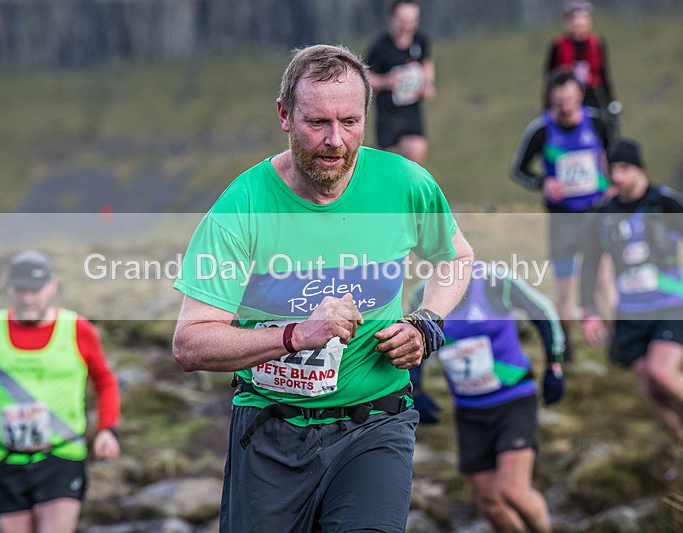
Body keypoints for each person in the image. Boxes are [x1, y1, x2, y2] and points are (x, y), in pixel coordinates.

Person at [172, 44, 474, 532]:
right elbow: (189, 343)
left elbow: (456, 257)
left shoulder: (403, 183)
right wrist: (295, 335)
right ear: (284, 115)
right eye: (318, 123)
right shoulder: (242, 206)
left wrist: (426, 323)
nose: (336, 141)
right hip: (271, 431)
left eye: (350, 122)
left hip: (376, 424)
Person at [0, 250, 121, 533]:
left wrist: (108, 429)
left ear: (52, 286)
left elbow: (105, 381)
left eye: (35, 290)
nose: (28, 299)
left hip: (62, 456)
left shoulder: (77, 329)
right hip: (6, 460)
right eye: (20, 291)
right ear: (9, 288)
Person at [580, 139, 683, 449]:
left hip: (670, 304)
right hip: (629, 311)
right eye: (612, 169)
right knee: (651, 388)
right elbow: (589, 262)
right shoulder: (603, 213)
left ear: (639, 168)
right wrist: (588, 308)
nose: (616, 176)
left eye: (624, 168)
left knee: (662, 374)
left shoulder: (665, 202)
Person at [410, 267, 564, 533]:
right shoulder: (422, 295)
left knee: (513, 491)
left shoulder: (496, 282)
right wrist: (417, 390)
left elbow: (544, 310)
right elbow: (414, 341)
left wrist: (554, 366)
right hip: (469, 410)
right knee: (489, 502)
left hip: (513, 401)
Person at [511, 68, 614, 361]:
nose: (566, 107)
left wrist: (610, 185)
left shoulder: (598, 122)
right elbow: (518, 170)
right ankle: (566, 347)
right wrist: (543, 183)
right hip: (562, 220)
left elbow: (615, 157)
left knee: (604, 282)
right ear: (551, 101)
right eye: (559, 102)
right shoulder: (541, 130)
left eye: (570, 100)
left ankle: (619, 345)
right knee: (565, 289)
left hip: (596, 216)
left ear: (580, 95)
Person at [367, 0, 436, 165]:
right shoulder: (380, 47)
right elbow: (367, 76)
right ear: (393, 18)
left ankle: (410, 189)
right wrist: (385, 81)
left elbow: (427, 62)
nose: (408, 25)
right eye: (403, 20)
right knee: (386, 165)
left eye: (412, 20)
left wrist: (428, 84)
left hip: (411, 112)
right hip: (388, 114)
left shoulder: (420, 40)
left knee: (416, 158)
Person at [544, 1, 616, 113]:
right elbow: (549, 77)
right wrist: (547, 106)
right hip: (566, 98)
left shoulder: (597, 43)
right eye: (573, 18)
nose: (578, 22)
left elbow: (604, 73)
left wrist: (611, 100)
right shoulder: (558, 45)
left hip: (592, 94)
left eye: (582, 18)